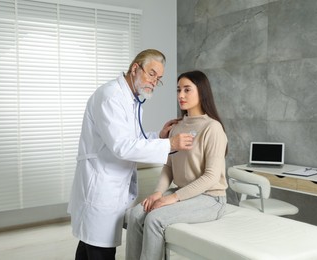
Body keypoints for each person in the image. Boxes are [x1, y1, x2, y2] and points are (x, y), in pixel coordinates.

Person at [67, 49, 195, 260]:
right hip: (100, 186)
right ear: (136, 68)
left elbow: (132, 138)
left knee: (89, 245)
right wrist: (170, 143)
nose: (154, 82)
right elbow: (122, 146)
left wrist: (159, 136)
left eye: (159, 79)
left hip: (108, 184)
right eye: (152, 74)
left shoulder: (131, 99)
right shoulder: (111, 97)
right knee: (100, 248)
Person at [125, 70, 228, 260]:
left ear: (202, 92)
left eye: (187, 90)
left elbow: (211, 177)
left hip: (211, 199)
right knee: (135, 214)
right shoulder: (177, 127)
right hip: (184, 192)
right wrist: (157, 193)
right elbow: (169, 166)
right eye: (178, 90)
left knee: (155, 219)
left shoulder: (212, 128)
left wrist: (173, 198)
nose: (181, 95)